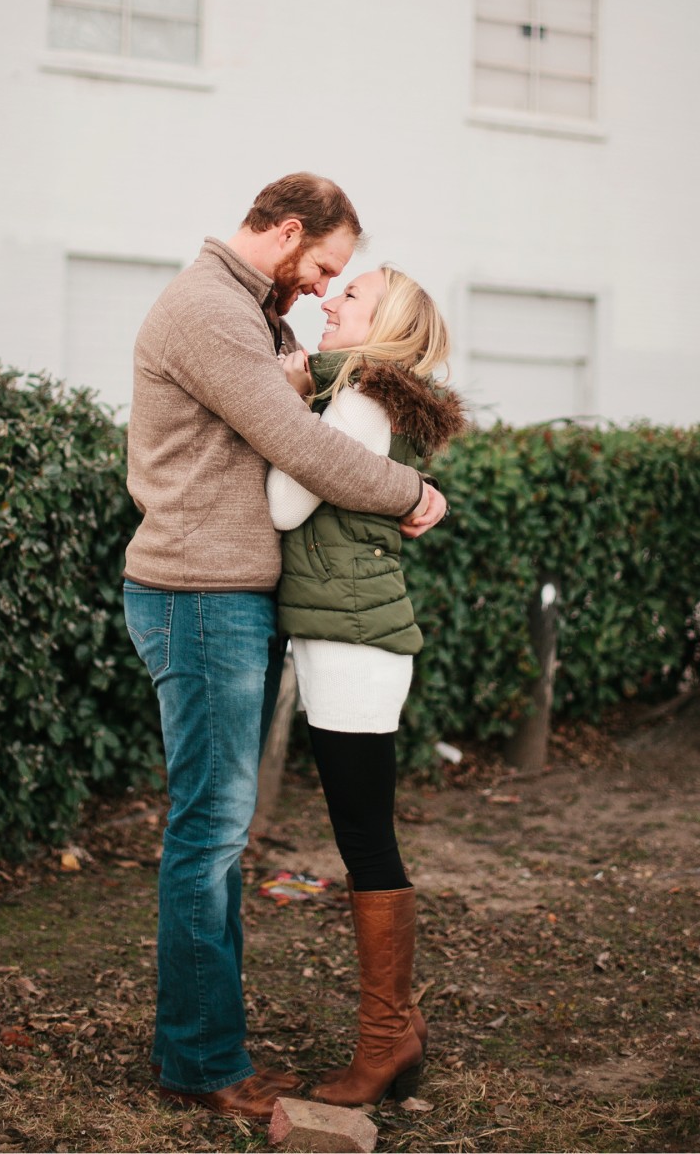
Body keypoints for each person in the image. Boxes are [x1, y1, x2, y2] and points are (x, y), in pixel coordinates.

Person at [122, 175, 448, 1123]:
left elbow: (287, 409)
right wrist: (410, 491)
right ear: (291, 232)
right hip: (201, 594)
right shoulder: (211, 310)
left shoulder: (247, 311)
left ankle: (204, 1048)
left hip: (229, 596)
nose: (322, 286)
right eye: (325, 266)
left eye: (341, 281)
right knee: (211, 834)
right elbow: (298, 449)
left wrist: (311, 376)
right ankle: (201, 1063)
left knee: (219, 834)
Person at [266, 265, 466, 1107]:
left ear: (387, 324)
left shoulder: (352, 401)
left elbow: (283, 507)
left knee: (365, 838)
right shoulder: (363, 398)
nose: (329, 300)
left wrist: (285, 404)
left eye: (351, 295)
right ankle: (399, 1027)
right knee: (364, 832)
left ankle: (385, 1039)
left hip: (352, 643)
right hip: (353, 637)